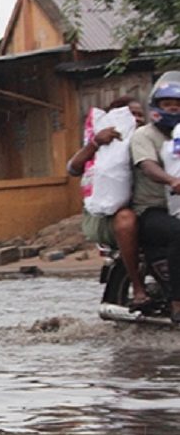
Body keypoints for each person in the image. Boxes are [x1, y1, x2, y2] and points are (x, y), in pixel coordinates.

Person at [66, 96, 148, 310]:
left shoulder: (149, 139)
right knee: (125, 219)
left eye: (141, 115)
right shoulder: (105, 143)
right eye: (133, 115)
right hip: (106, 218)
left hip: (147, 209)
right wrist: (96, 143)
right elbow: (73, 168)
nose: (138, 119)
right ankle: (138, 288)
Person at [129, 71, 180, 323]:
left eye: (177, 104)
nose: (173, 108)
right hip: (152, 210)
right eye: (167, 104)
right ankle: (176, 301)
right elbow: (148, 165)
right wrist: (171, 180)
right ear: (156, 107)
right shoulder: (144, 136)